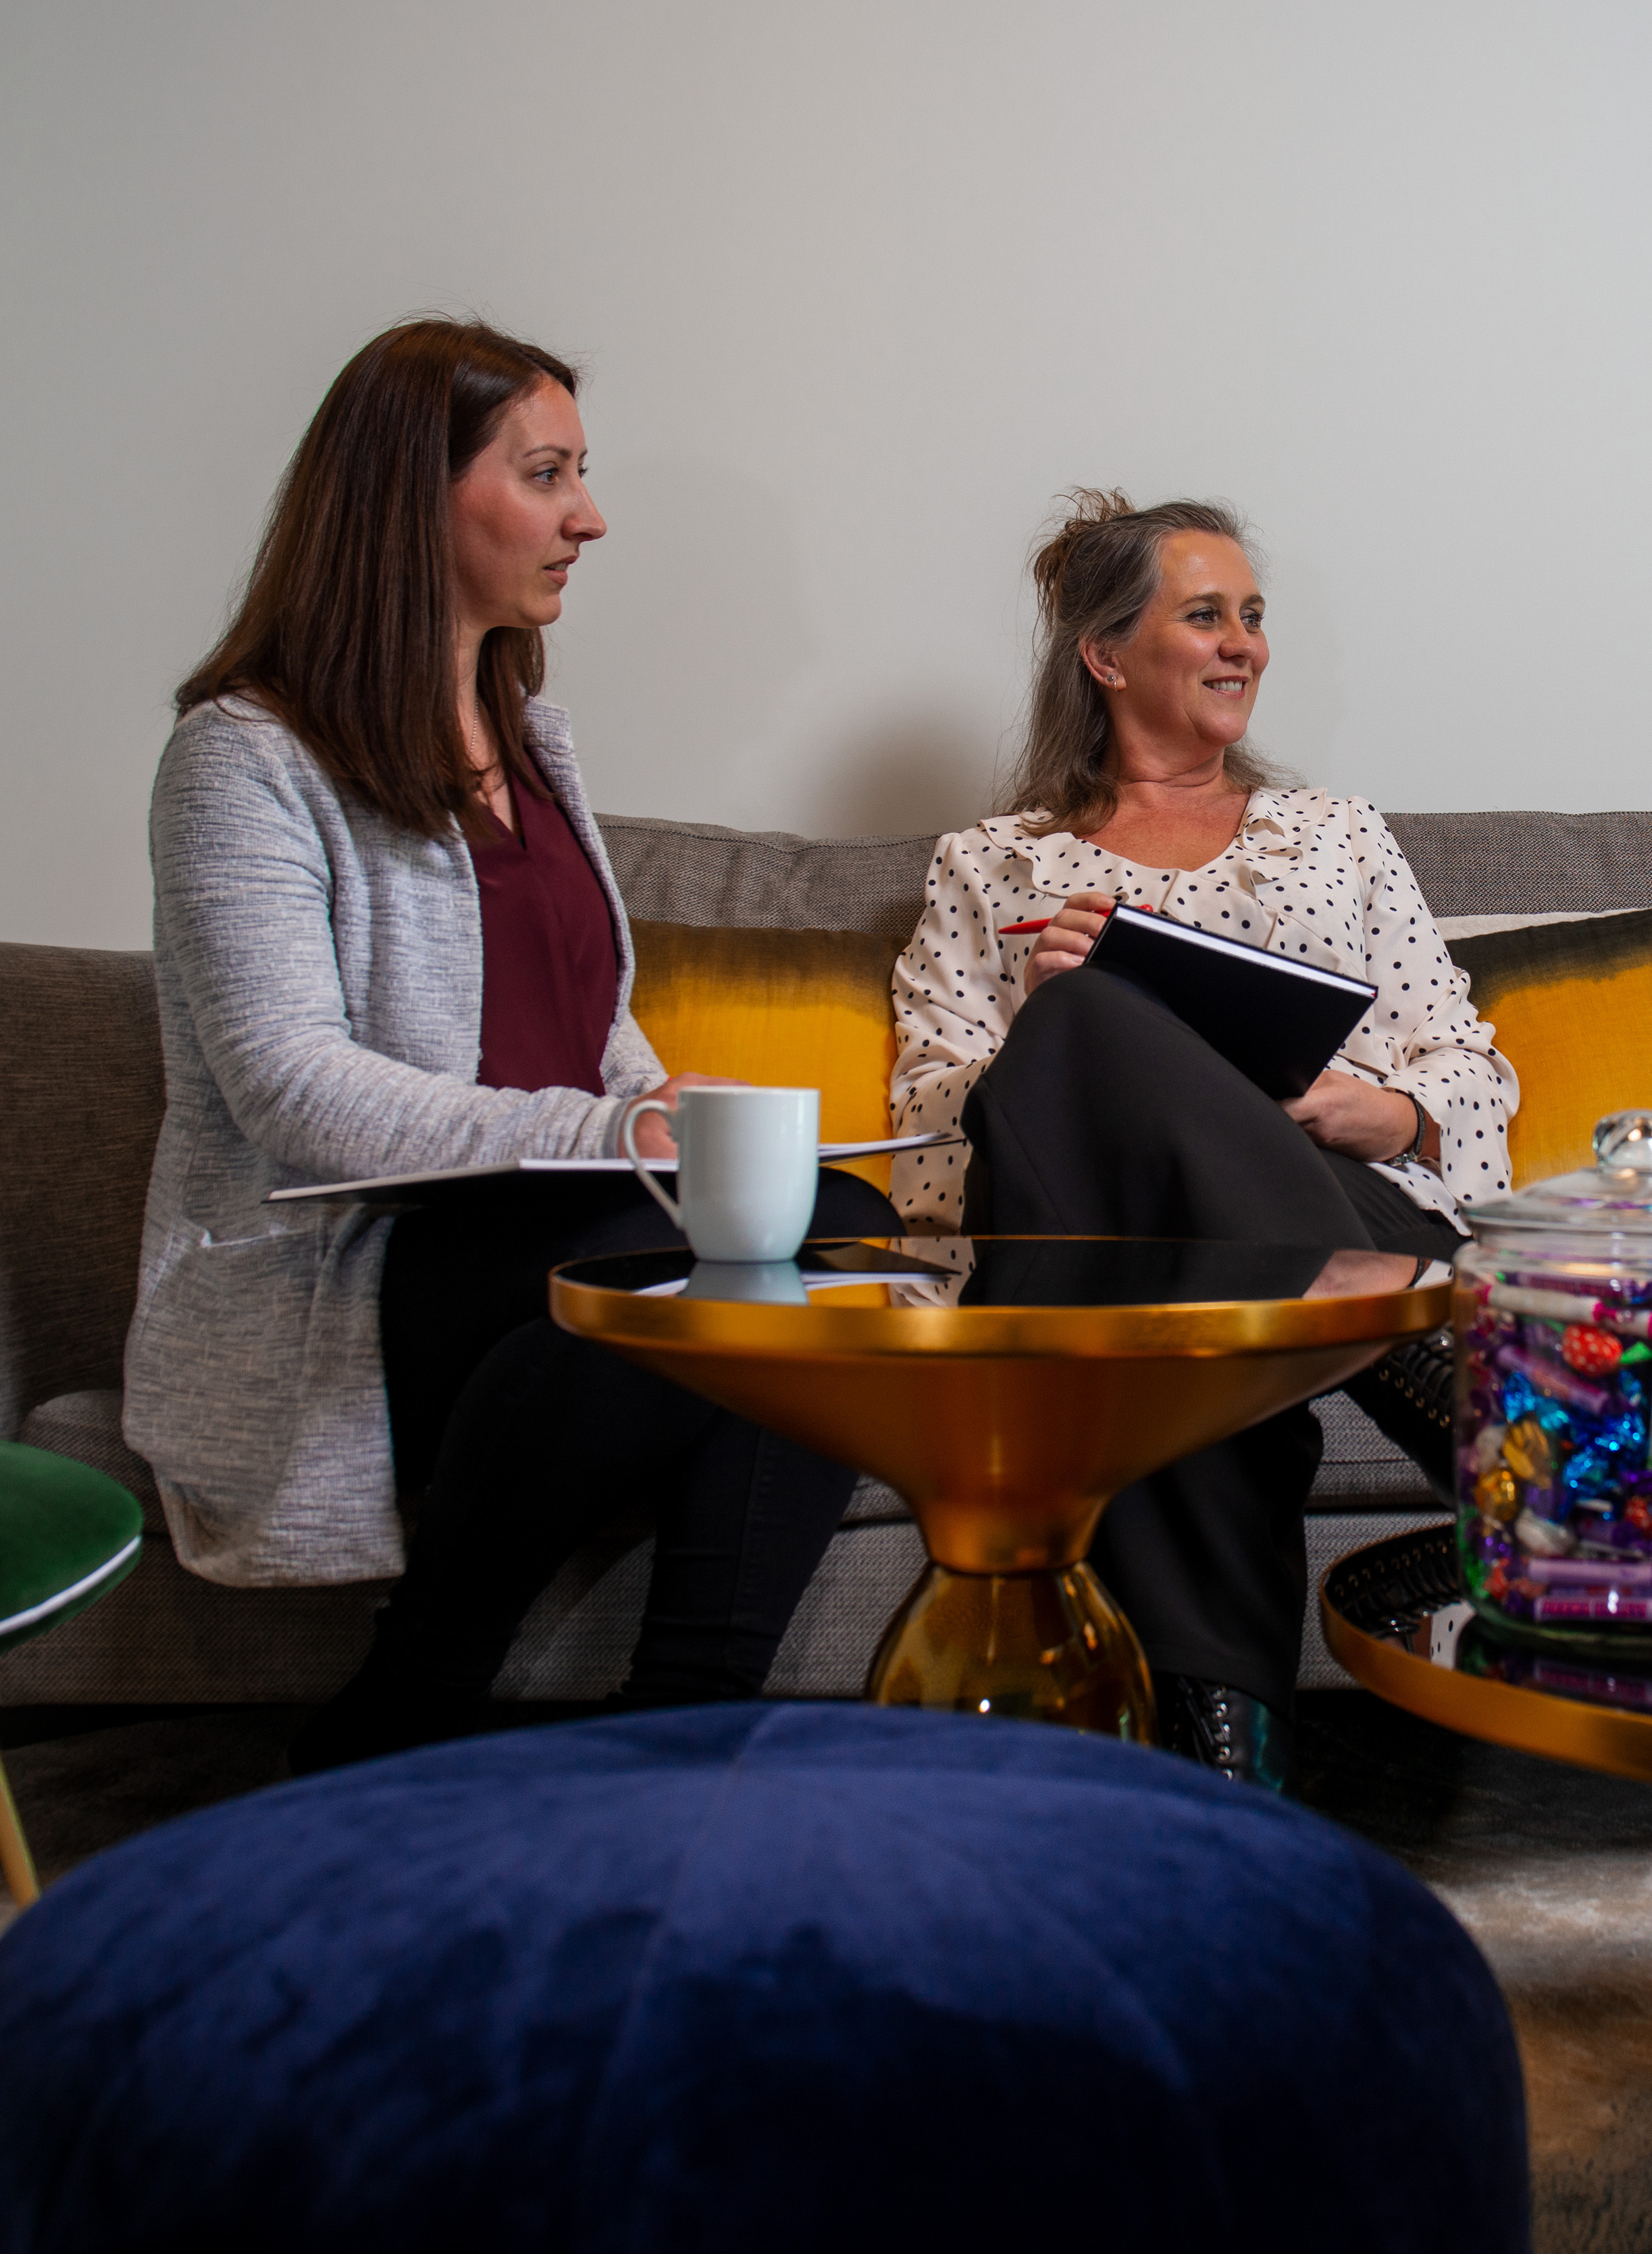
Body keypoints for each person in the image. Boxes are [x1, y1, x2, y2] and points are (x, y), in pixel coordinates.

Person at [126, 318, 873, 1774]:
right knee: (689, 1257)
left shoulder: (531, 741)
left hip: (545, 1237)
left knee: (831, 1227)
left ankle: (684, 1728)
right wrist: (616, 1133)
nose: (588, 517)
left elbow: (591, 1027)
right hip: (355, 1264)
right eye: (546, 475)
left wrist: (664, 1104)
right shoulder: (243, 756)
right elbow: (288, 1086)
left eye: (579, 475)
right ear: (410, 495)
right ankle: (415, 1695)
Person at [888, 491, 1516, 1786]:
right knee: (1089, 1041)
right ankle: (1438, 1379)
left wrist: (1390, 1111)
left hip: (1335, 1192)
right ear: (1107, 656)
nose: (1244, 644)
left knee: (1170, 1299)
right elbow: (928, 1137)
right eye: (1206, 616)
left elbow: (1471, 1068)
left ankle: (1223, 1766)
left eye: (1253, 616)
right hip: (1110, 1242)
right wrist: (1055, 1029)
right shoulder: (990, 865)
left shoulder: (1336, 836)